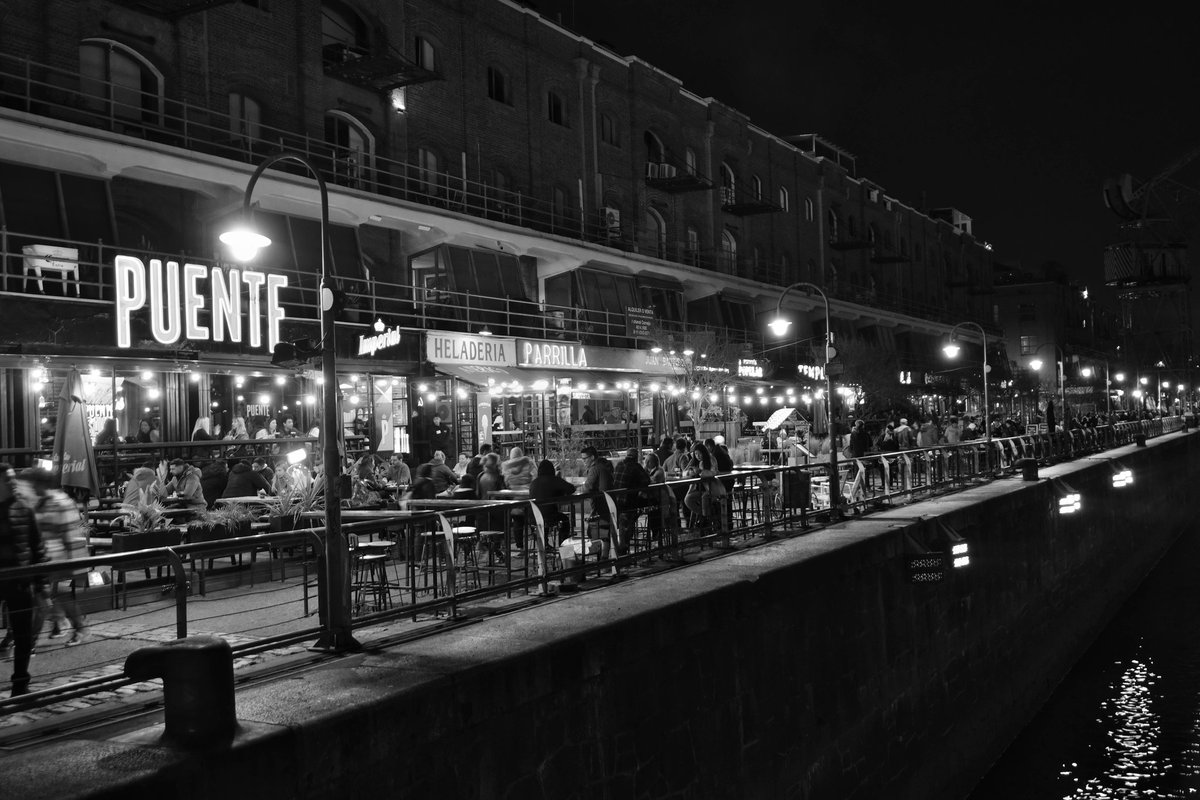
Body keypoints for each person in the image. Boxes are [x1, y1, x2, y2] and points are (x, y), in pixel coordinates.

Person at [22, 468, 88, 647]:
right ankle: (67, 625)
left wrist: (73, 562)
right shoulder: (41, 501)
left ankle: (32, 642)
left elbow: (69, 534)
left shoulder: (58, 502)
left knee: (47, 597)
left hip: (59, 559)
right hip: (47, 559)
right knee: (52, 596)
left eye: (32, 484)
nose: (30, 487)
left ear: (40, 484)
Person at [0, 463, 46, 697]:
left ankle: (20, 682)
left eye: (12, 478)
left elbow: (37, 546)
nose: (12, 482)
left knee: (23, 635)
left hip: (19, 579)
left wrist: (40, 584)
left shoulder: (24, 509)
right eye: (7, 480)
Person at [612, 448, 651, 554]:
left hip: (616, 500)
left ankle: (620, 547)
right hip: (628, 501)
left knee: (621, 524)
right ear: (636, 457)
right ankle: (624, 548)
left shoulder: (619, 464)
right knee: (628, 523)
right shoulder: (636, 466)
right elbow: (646, 480)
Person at [529, 459, 575, 541]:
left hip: (532, 517)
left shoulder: (534, 482)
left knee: (544, 515)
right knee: (564, 519)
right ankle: (563, 545)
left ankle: (545, 544)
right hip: (549, 517)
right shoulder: (554, 480)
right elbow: (571, 488)